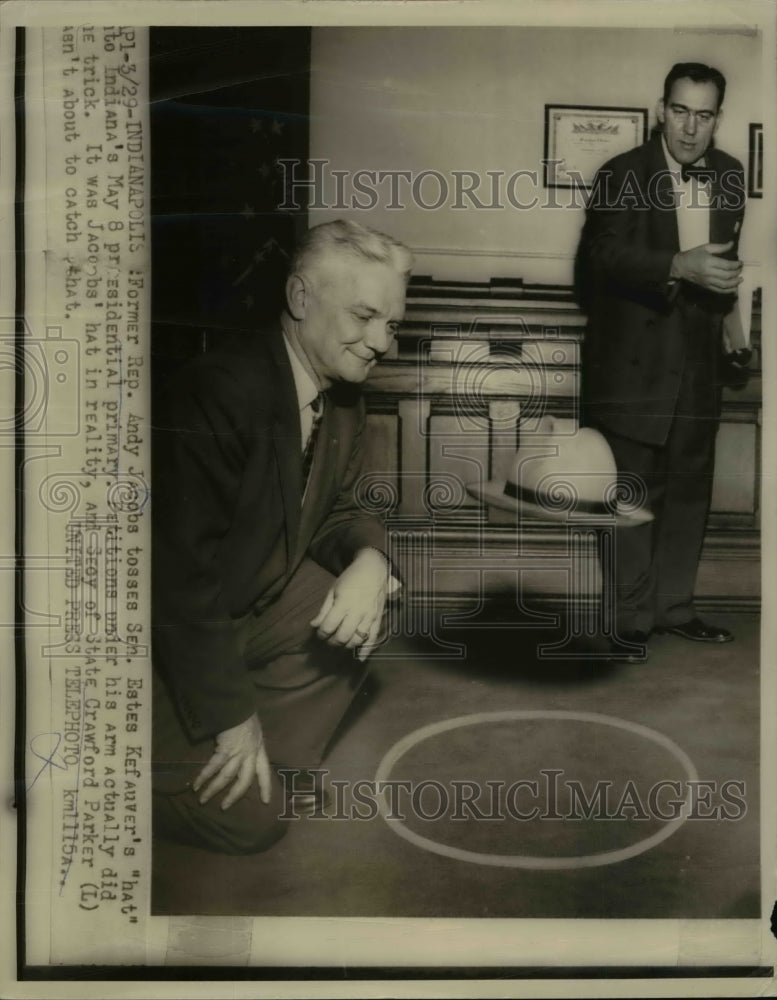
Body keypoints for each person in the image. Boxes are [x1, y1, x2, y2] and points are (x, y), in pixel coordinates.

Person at [152, 219, 413, 853]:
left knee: (372, 594)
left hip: (239, 609)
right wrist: (231, 721)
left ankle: (262, 756)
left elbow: (339, 511)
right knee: (254, 822)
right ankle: (116, 775)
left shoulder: (341, 397)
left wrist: (373, 561)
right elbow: (177, 584)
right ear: (300, 299)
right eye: (364, 316)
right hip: (157, 647)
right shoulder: (218, 391)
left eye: (393, 323)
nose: (383, 343)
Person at [576, 62, 748, 659]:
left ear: (717, 119)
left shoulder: (729, 176)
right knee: (630, 493)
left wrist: (734, 328)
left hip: (699, 366)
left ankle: (675, 607)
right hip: (631, 365)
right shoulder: (621, 173)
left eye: (704, 115)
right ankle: (631, 618)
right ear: (660, 109)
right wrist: (678, 264)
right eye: (680, 111)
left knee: (689, 490)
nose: (691, 128)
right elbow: (597, 260)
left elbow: (724, 269)